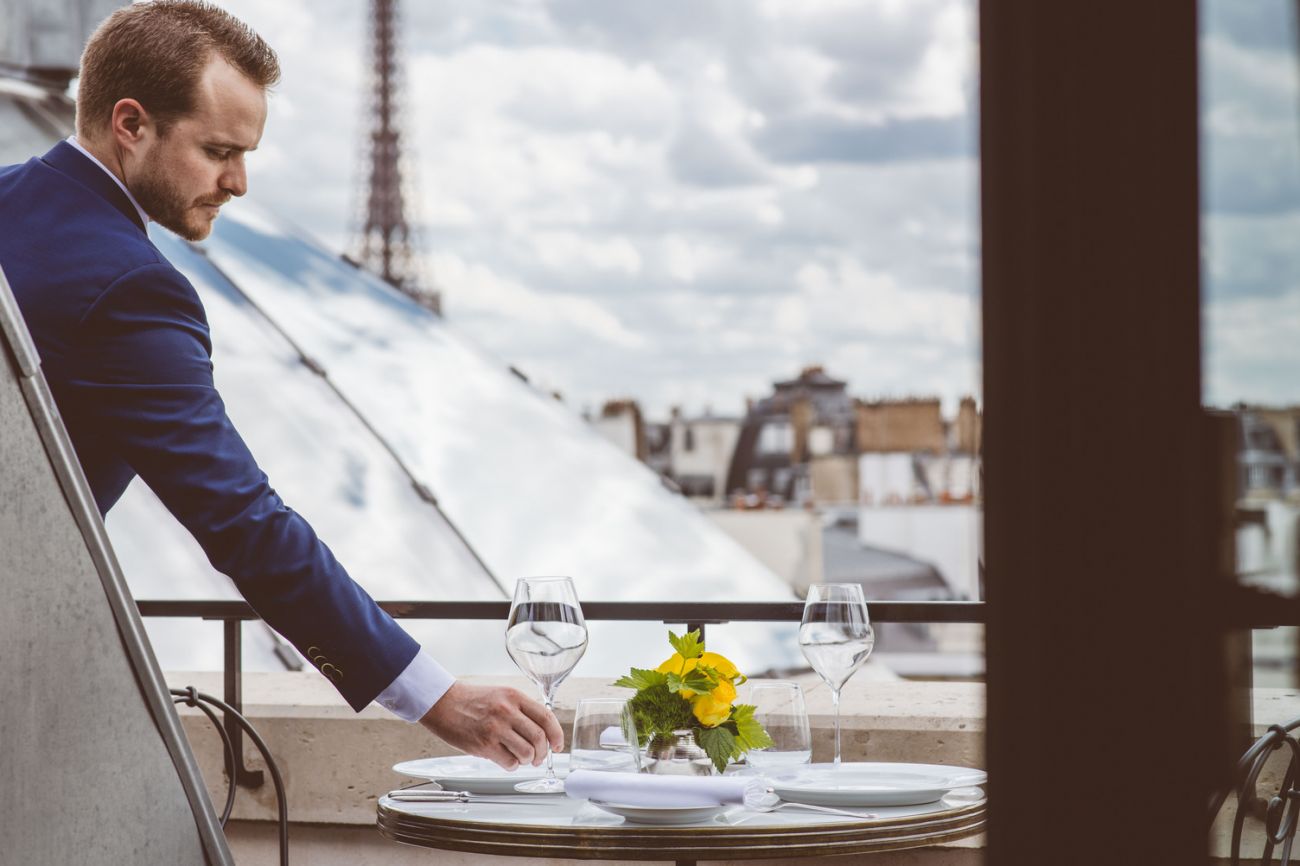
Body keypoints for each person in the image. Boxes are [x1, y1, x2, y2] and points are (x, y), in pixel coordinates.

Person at [0, 0, 560, 771]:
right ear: (130, 124)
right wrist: (433, 696)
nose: (238, 182)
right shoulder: (130, 286)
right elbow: (242, 520)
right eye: (218, 150)